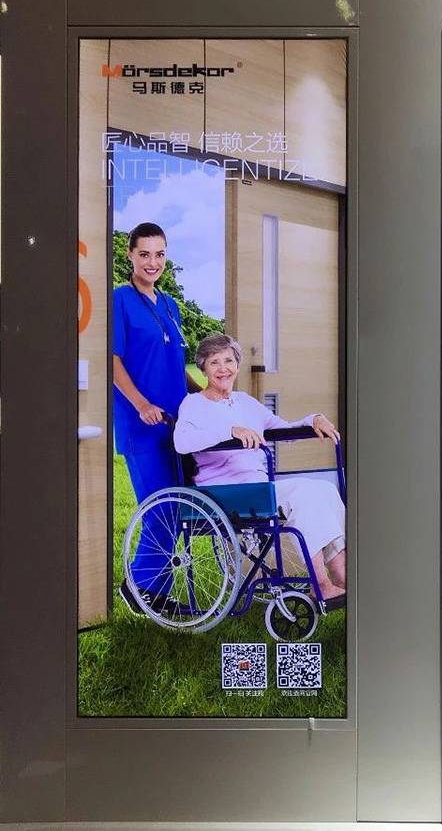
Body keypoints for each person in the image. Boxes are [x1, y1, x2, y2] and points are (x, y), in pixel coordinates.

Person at [173, 333, 347, 602]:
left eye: (228, 361)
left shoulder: (245, 401)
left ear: (237, 365)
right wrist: (230, 430)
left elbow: (284, 430)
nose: (223, 368)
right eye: (214, 362)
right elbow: (182, 442)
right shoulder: (194, 404)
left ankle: (342, 575)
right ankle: (320, 585)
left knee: (324, 489)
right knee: (304, 494)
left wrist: (314, 419)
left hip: (258, 488)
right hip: (225, 493)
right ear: (203, 369)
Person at [113, 222, 199, 614]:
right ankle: (141, 588)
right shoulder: (120, 300)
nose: (153, 262)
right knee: (160, 507)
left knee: (177, 508)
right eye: (144, 254)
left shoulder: (170, 305)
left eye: (159, 254)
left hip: (178, 426)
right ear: (130, 255)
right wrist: (142, 404)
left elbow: (175, 363)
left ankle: (152, 591)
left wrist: (206, 394)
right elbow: (112, 360)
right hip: (143, 425)